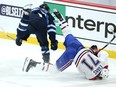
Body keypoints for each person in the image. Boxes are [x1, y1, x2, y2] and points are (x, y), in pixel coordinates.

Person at [51, 9, 109, 80]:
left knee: (68, 33)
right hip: (72, 55)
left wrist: (95, 52)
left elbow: (104, 54)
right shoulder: (91, 76)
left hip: (78, 46)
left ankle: (61, 20)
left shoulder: (103, 63)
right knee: (57, 68)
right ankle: (49, 70)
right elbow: (81, 70)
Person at [16, 4, 58, 72]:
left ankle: (25, 16)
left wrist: (19, 38)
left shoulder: (34, 10)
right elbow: (51, 29)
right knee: (44, 44)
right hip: (41, 24)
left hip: (31, 21)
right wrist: (53, 41)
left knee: (22, 32)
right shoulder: (48, 15)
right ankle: (46, 62)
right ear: (47, 10)